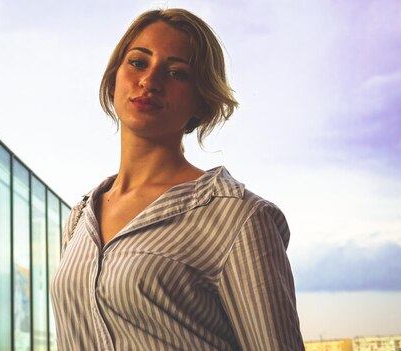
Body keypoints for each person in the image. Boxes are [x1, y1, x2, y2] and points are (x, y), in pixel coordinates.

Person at [51, 8, 304, 351]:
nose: (150, 81)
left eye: (176, 73)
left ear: (201, 102)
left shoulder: (238, 218)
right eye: (138, 63)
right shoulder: (80, 218)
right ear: (114, 78)